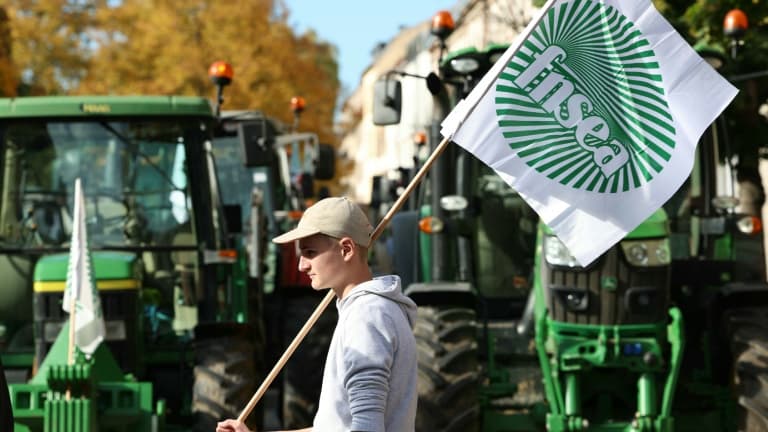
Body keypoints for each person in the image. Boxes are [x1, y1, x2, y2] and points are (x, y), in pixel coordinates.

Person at [217, 196, 418, 432]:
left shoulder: (367, 317)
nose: (302, 265)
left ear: (346, 249)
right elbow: (332, 428)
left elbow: (367, 427)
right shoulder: (369, 311)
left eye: (310, 252)